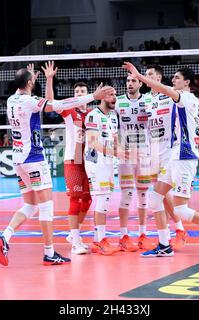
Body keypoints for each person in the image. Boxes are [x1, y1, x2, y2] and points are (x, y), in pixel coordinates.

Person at [0, 63, 114, 266]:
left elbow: (28, 88)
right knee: (46, 207)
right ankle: (49, 253)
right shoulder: (29, 101)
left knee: (30, 205)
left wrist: (33, 77)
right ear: (30, 82)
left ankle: (5, 237)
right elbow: (57, 105)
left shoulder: (12, 99)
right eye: (33, 78)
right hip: (33, 160)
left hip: (17, 160)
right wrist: (93, 95)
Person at [123, 62, 199, 257]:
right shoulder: (195, 101)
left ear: (187, 82)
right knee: (156, 198)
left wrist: (138, 76)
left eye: (177, 77)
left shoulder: (183, 97)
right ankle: (164, 244)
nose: (173, 80)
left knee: (182, 210)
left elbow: (161, 88)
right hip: (175, 157)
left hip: (184, 157)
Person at [44, 64, 92, 255]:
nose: (79, 94)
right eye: (77, 91)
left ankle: (74, 234)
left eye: (83, 91)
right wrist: (49, 79)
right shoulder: (69, 112)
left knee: (87, 200)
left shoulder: (92, 114)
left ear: (88, 94)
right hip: (73, 160)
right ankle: (75, 242)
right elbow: (49, 104)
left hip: (88, 162)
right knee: (75, 199)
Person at [144, 64, 188, 251]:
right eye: (145, 75)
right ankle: (170, 233)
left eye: (150, 74)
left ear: (159, 78)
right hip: (151, 151)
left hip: (169, 150)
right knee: (159, 195)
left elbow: (192, 102)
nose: (146, 77)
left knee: (161, 194)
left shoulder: (170, 94)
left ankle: (179, 230)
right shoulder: (144, 99)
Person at [115, 73, 152, 252]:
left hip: (144, 153)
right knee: (127, 194)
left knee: (143, 194)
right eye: (128, 80)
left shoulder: (148, 101)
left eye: (133, 81)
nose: (129, 83)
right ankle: (123, 236)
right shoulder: (118, 101)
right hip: (125, 155)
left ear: (140, 84)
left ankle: (143, 234)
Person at [84, 86, 122, 255]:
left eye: (115, 94)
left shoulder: (113, 116)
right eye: (111, 95)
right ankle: (99, 241)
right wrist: (115, 152)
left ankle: (99, 238)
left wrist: (122, 151)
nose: (114, 97)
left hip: (107, 162)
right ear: (103, 97)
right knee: (102, 199)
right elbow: (92, 142)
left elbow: (114, 139)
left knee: (105, 199)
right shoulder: (93, 115)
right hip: (95, 162)